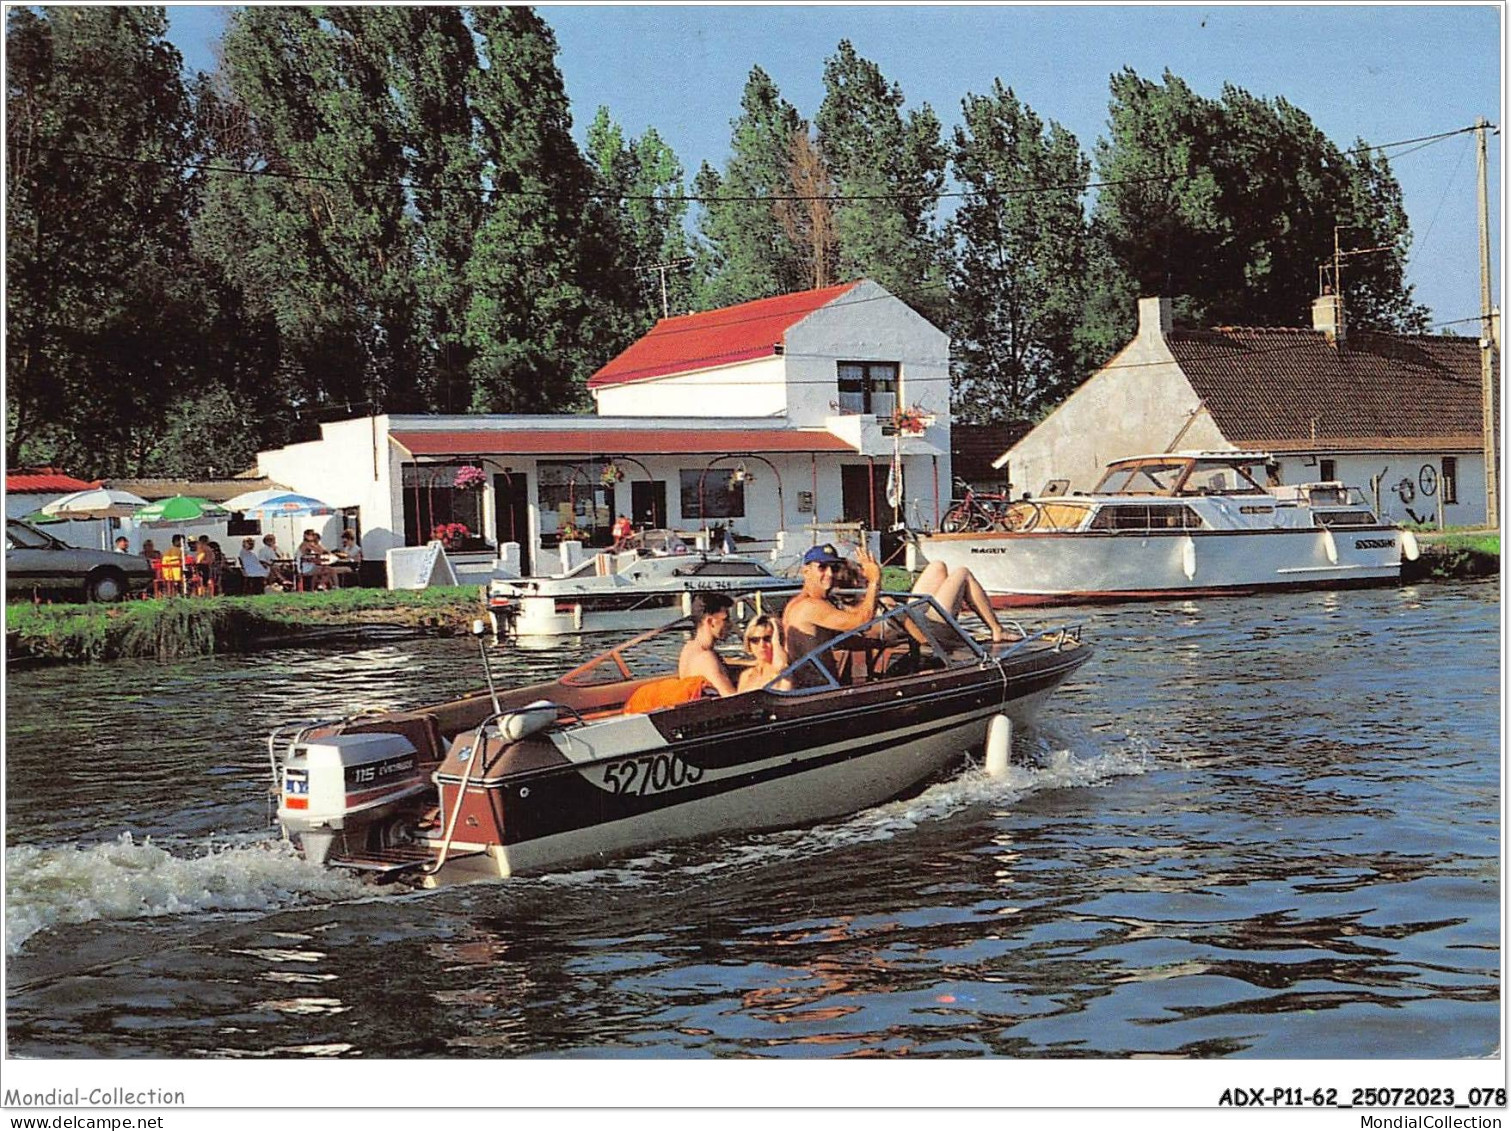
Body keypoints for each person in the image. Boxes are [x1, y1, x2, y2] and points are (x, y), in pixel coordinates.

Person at [781, 543, 883, 668]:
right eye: (822, 567)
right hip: (819, 686)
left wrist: (879, 643)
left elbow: (840, 639)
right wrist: (874, 581)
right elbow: (861, 621)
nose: (829, 574)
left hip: (821, 684)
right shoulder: (810, 606)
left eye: (834, 568)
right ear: (806, 572)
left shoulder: (801, 603)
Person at [676, 591, 738, 697]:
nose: (730, 624)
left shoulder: (688, 648)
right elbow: (731, 697)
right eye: (726, 619)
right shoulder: (707, 658)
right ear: (710, 621)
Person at [737, 613, 791, 693]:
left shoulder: (784, 674)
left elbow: (781, 666)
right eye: (755, 640)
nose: (762, 645)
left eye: (767, 639)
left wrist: (776, 639)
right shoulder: (746, 676)